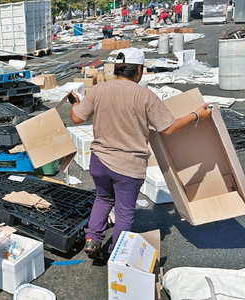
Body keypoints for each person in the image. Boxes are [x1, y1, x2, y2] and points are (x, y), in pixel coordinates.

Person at [68, 48, 212, 261]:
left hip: (99, 161)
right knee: (125, 212)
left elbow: (77, 119)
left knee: (103, 198)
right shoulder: (145, 95)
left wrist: (76, 103)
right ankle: (115, 253)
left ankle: (93, 238)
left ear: (117, 68)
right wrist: (196, 116)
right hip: (128, 165)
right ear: (138, 70)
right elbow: (168, 128)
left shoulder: (99, 90)